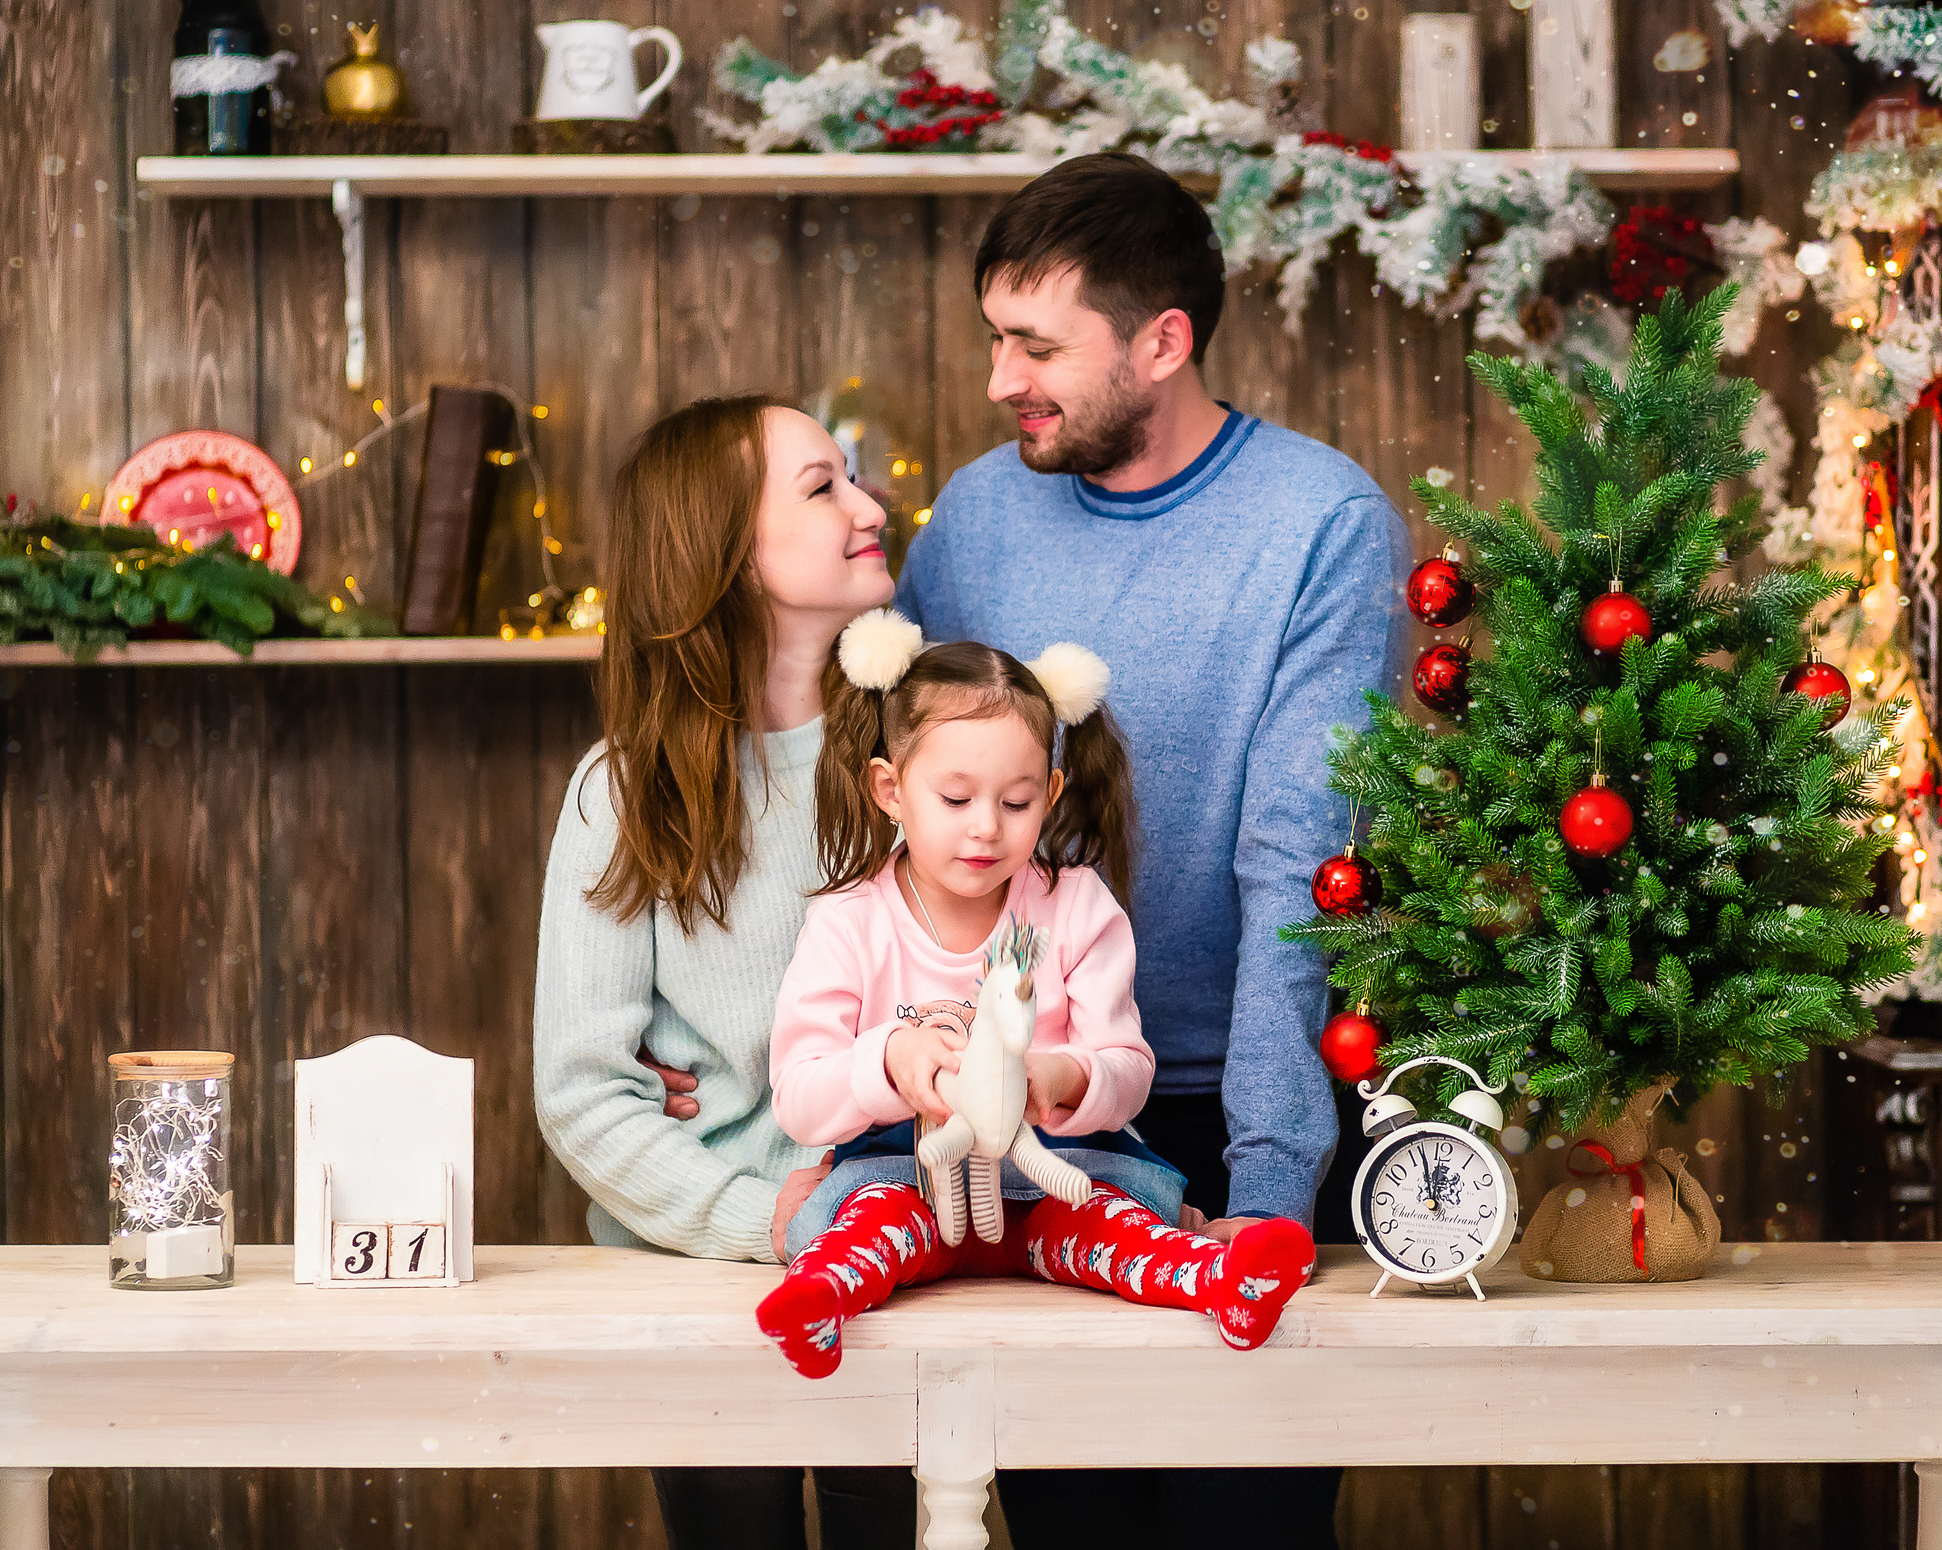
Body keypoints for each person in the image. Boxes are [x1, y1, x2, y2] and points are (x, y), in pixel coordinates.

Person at [894, 151, 1411, 1546]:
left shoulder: (1320, 524)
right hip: (1041, 1131)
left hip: (1245, 1114)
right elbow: (897, 808)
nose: (1003, 379)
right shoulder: (978, 515)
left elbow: (1301, 870)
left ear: (1162, 340)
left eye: (1037, 344)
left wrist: (1263, 1192)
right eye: (997, 339)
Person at [533, 392, 914, 1550]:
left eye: (851, 477)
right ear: (724, 555)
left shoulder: (928, 763)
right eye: (821, 487)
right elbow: (584, 1090)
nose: (868, 502)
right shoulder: (623, 794)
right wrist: (771, 1224)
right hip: (702, 1285)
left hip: (906, 1278)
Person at [751, 617, 1317, 1378]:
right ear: (890, 789)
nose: (986, 828)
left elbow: (1126, 1066)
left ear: (1050, 792)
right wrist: (888, 1058)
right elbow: (799, 1095)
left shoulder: (1075, 906)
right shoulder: (849, 919)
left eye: (1016, 803)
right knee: (865, 1222)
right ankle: (823, 1300)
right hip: (910, 1186)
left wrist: (1064, 1079)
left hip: (1055, 1178)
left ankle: (1221, 1281)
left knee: (1114, 1224)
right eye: (955, 798)